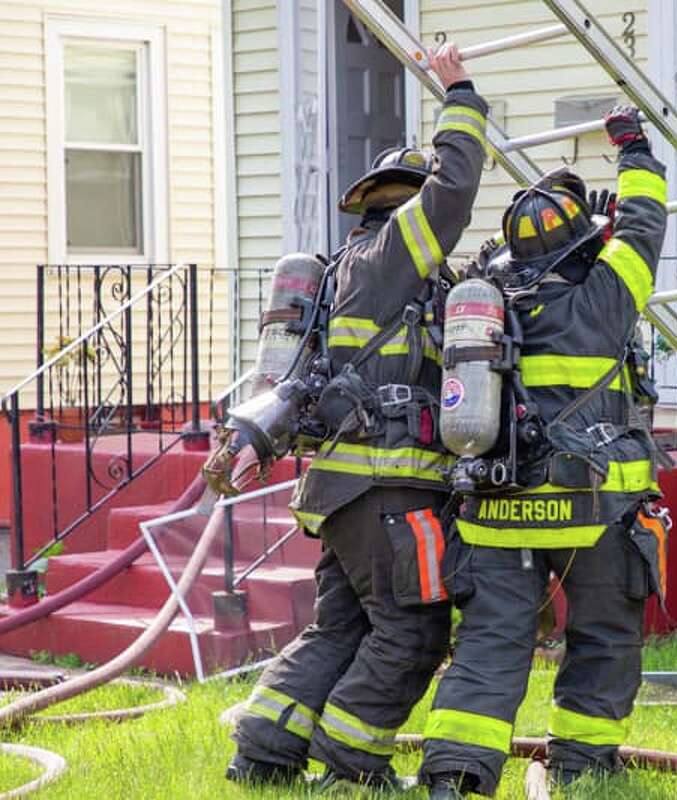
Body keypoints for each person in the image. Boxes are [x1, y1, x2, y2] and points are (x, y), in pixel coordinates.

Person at [225, 43, 488, 791]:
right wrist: (460, 94)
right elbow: (456, 187)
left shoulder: (344, 274)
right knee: (412, 630)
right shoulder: (394, 254)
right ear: (401, 204)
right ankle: (352, 763)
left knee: (340, 626)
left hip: (342, 493)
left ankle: (264, 751)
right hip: (394, 488)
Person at [418, 106, 669, 799]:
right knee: (602, 635)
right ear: (582, 245)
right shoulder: (608, 295)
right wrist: (634, 148)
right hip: (594, 505)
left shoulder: (486, 303)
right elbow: (645, 225)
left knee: (491, 641)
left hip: (495, 507)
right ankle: (582, 767)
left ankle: (456, 774)